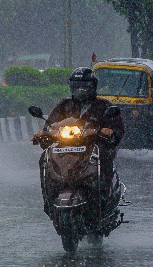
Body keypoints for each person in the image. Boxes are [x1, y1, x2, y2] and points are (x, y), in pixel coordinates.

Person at [33, 67, 125, 213]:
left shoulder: (103, 105)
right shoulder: (65, 105)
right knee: (45, 157)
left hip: (93, 145)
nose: (81, 91)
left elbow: (117, 129)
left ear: (92, 87)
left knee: (103, 154)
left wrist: (109, 132)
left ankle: (105, 197)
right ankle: (49, 199)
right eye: (77, 87)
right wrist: (43, 134)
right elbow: (51, 124)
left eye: (84, 87)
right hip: (65, 146)